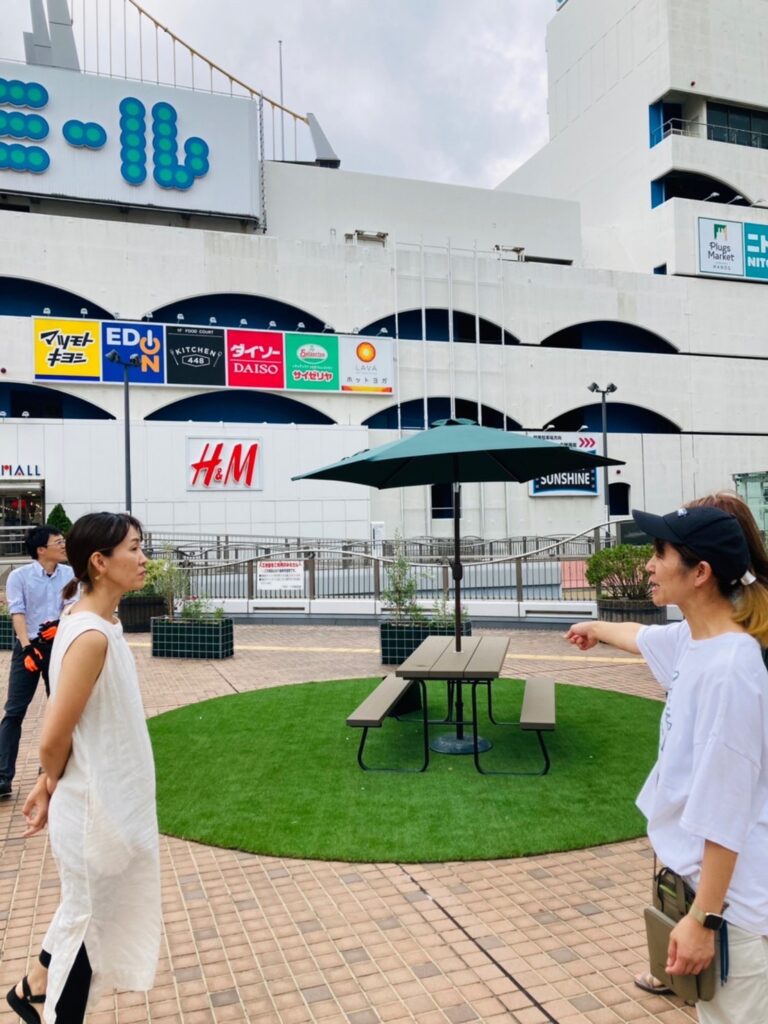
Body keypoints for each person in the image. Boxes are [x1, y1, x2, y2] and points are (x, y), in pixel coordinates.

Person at [565, 504, 768, 1023]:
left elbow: (726, 811)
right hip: (707, 892)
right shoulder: (693, 641)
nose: (649, 565)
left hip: (734, 909)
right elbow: (639, 636)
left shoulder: (732, 668)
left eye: (660, 553)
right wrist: (595, 628)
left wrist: (704, 919)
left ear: (700, 574)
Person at [6, 512, 161, 1024]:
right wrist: (50, 779)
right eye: (134, 548)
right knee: (90, 924)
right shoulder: (90, 634)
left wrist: (46, 782)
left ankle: (32, 987)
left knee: (84, 909)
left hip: (104, 800)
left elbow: (78, 725)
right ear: (100, 562)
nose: (144, 558)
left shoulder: (102, 623)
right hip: (94, 810)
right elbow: (53, 737)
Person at [0, 525, 74, 799]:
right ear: (41, 549)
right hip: (28, 647)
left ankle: (53, 766)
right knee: (14, 711)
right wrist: (28, 648)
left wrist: (59, 625)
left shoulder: (69, 574)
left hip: (59, 647)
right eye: (59, 541)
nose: (64, 545)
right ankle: (2, 777)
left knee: (60, 708)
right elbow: (17, 612)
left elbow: (72, 608)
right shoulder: (18, 577)